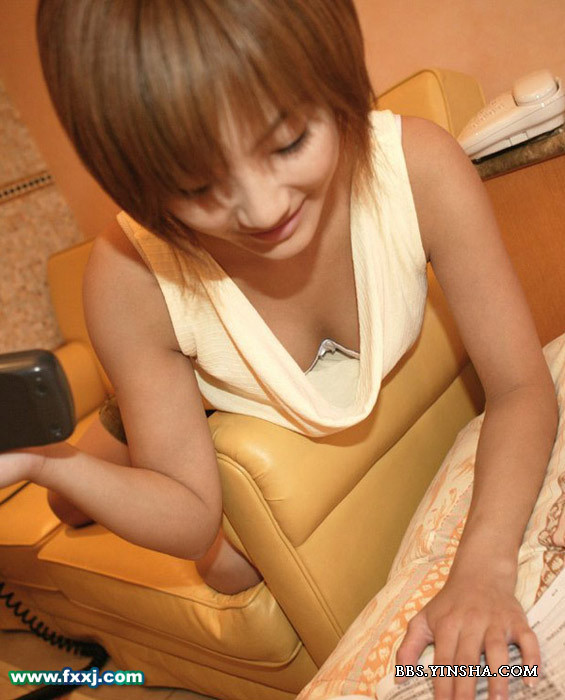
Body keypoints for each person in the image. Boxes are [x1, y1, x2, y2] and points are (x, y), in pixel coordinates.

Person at [0, 1, 559, 698]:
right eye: (198, 187)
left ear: (337, 81)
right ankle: (96, 435)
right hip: (193, 377)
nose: (264, 211)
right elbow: (190, 517)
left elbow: (520, 386)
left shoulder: (417, 167)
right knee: (93, 513)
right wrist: (41, 461)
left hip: (216, 369)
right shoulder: (130, 280)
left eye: (289, 142)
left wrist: (481, 568)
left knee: (226, 560)